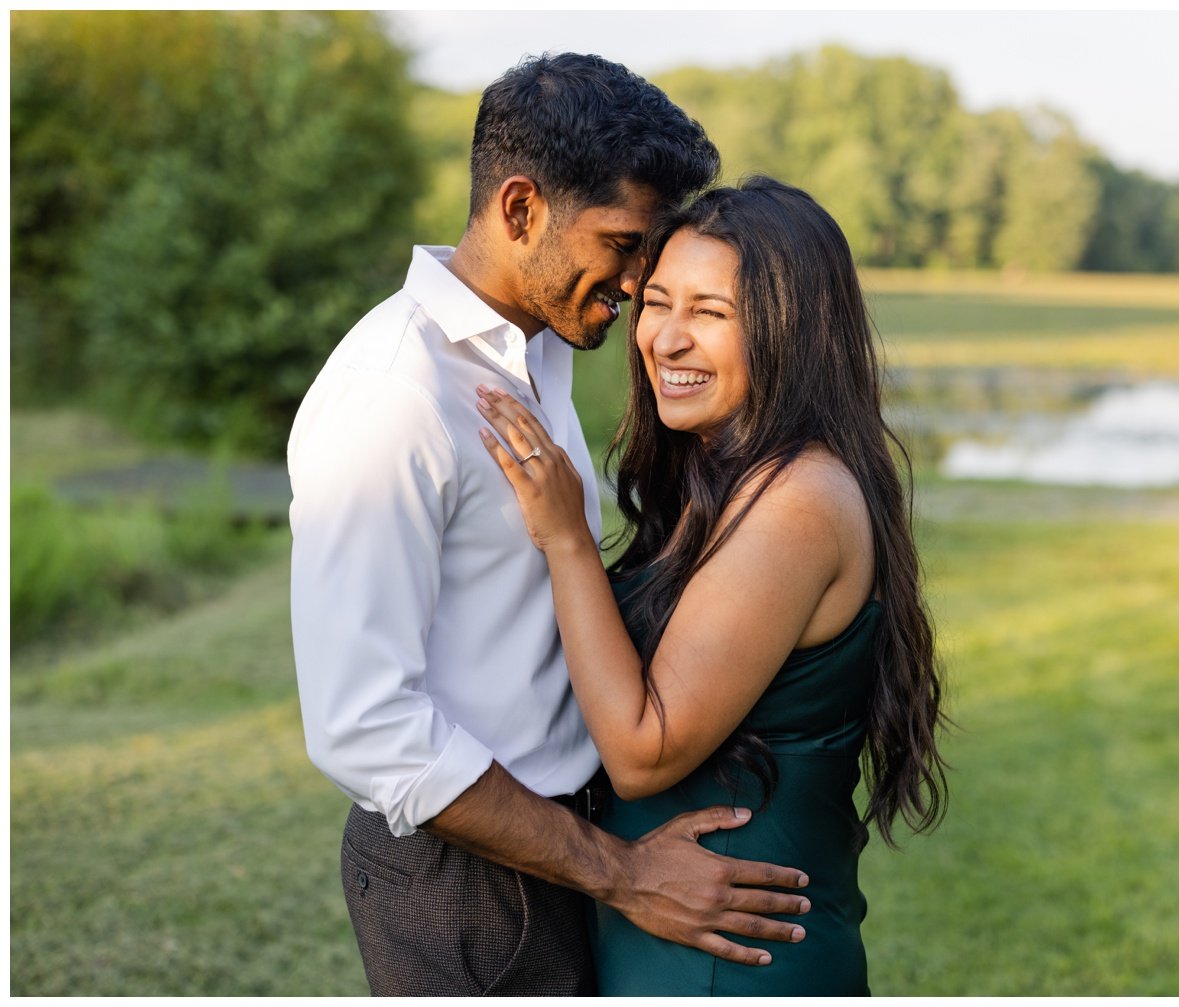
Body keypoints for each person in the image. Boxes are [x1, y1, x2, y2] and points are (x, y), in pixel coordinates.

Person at [287, 55, 813, 997]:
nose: (633, 281)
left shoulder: (539, 338)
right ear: (521, 208)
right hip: (470, 879)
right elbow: (362, 726)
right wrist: (619, 870)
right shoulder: (393, 397)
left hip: (559, 844)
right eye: (621, 243)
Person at [474, 176, 948, 995]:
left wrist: (566, 540)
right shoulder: (727, 478)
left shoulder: (798, 501)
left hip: (734, 963)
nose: (666, 338)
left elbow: (641, 748)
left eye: (713, 313)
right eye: (657, 302)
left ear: (792, 333)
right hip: (677, 940)